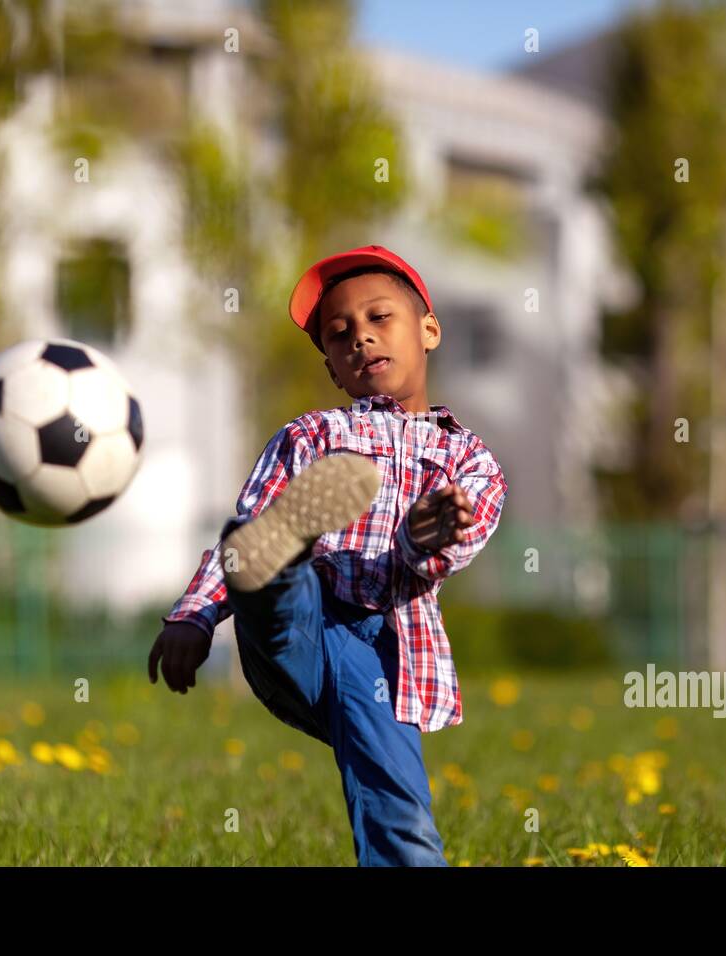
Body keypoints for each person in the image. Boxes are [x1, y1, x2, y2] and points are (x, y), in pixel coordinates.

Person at [148, 244, 508, 865]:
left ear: (429, 331)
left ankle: (277, 560)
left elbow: (465, 536)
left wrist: (427, 537)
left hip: (387, 650)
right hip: (308, 621)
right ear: (334, 371)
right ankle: (279, 561)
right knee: (272, 563)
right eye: (340, 336)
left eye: (378, 319)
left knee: (401, 809)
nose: (360, 340)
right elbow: (244, 525)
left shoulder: (468, 459)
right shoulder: (312, 435)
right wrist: (194, 615)